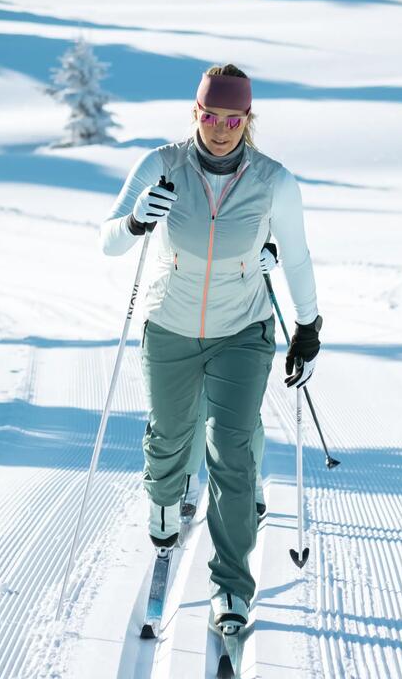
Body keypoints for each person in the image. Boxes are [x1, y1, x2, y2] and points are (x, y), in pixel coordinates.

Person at [98, 62, 322, 636]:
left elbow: (295, 256)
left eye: (233, 117)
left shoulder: (274, 180)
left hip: (243, 333)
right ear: (195, 113)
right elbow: (108, 241)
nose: (221, 127)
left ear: (248, 120)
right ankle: (166, 499)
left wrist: (308, 324)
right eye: (210, 115)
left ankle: (231, 588)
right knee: (171, 436)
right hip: (170, 326)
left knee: (232, 454)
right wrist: (135, 222)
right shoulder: (161, 164)